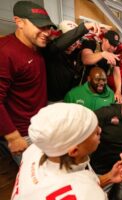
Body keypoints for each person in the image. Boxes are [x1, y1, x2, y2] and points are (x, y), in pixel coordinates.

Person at [11, 103, 122, 200]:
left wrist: (109, 177)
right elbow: (80, 188)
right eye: (94, 133)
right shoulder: (87, 194)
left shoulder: (35, 149)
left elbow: (74, 183)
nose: (101, 131)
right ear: (74, 150)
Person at [0, 1, 55, 198]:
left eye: (48, 26)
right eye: (40, 26)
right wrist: (13, 137)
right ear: (19, 22)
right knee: (41, 186)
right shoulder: (5, 51)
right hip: (22, 134)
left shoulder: (35, 45)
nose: (47, 32)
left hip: (38, 127)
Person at [81, 30, 122, 102]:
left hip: (99, 91)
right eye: (111, 44)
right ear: (104, 40)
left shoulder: (114, 54)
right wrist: (102, 54)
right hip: (83, 87)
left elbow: (117, 73)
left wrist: (118, 91)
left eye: (115, 46)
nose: (113, 48)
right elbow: (86, 59)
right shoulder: (91, 43)